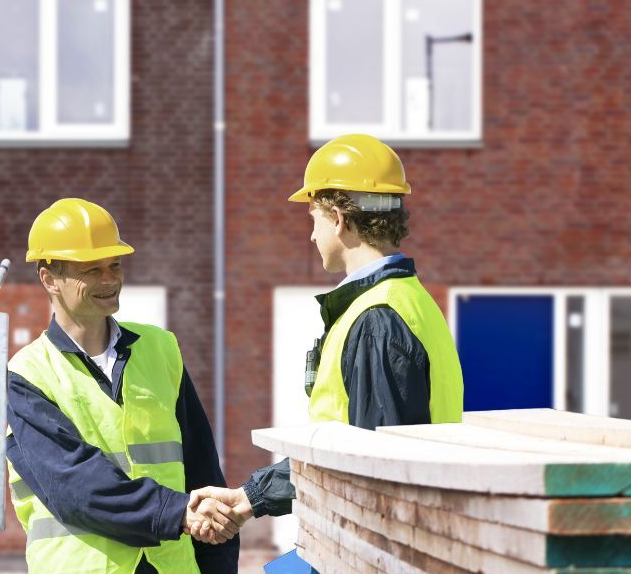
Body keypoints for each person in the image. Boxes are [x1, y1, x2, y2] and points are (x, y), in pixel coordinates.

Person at [5, 197, 240, 574]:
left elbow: (200, 460)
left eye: (115, 265)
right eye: (92, 269)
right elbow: (75, 487)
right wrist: (179, 514)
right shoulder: (27, 375)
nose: (110, 279)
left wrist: (218, 563)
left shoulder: (161, 349)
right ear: (49, 277)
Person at [193, 133, 464, 524]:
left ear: (337, 219)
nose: (311, 235)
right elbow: (345, 447)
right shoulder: (408, 300)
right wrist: (251, 497)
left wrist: (254, 497)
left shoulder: (377, 320)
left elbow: (372, 468)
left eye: (314, 219)